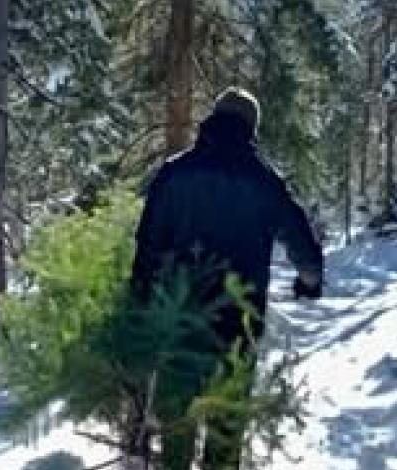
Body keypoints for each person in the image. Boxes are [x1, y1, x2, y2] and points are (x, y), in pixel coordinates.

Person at [129, 87, 324, 469]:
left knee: (177, 429)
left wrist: (139, 305)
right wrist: (310, 280)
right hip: (238, 324)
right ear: (251, 128)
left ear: (213, 119)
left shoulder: (174, 173)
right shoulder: (264, 180)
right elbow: (300, 238)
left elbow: (147, 246)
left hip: (178, 318)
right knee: (225, 433)